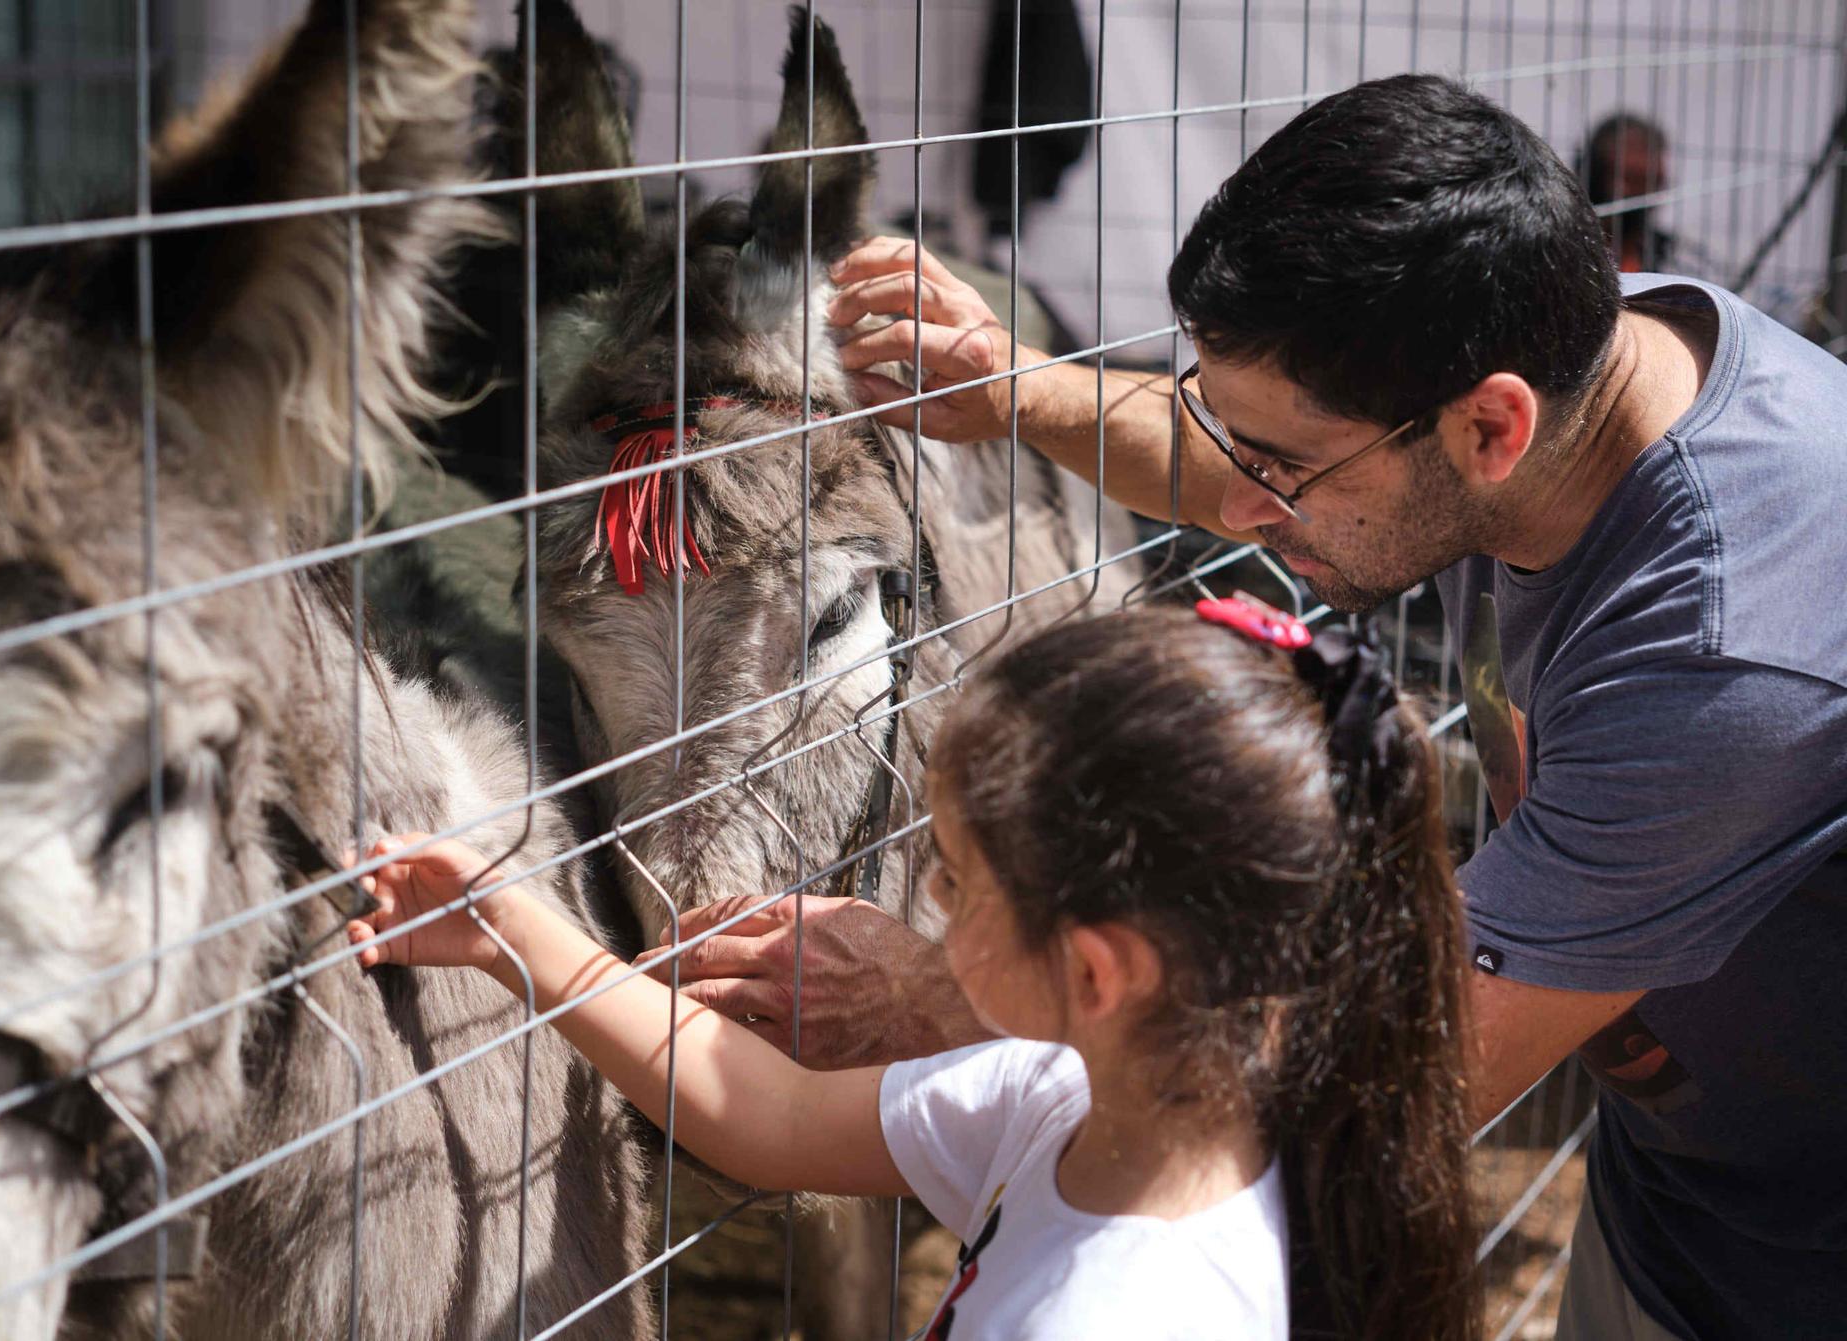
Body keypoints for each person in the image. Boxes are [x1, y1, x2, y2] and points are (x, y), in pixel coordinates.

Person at [656, 73, 1847, 1340]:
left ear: (1491, 426)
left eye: (1280, 468)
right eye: (1242, 441)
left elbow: (1390, 1074)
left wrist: (950, 993)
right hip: (1680, 1194)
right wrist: (1011, 385)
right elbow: (1243, 453)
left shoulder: (1723, 661)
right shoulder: (1584, 351)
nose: (1245, 508)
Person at [347, 606, 1479, 1340]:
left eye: (949, 880)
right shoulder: (1083, 1101)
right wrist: (511, 929)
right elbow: (771, 1114)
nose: (915, 908)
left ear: (1092, 972)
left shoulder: (1116, 1312)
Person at [1579, 112, 1676, 273]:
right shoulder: (1559, 247)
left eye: (1654, 182)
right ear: (1594, 173)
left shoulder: (1667, 257)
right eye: (1630, 178)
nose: (1645, 193)